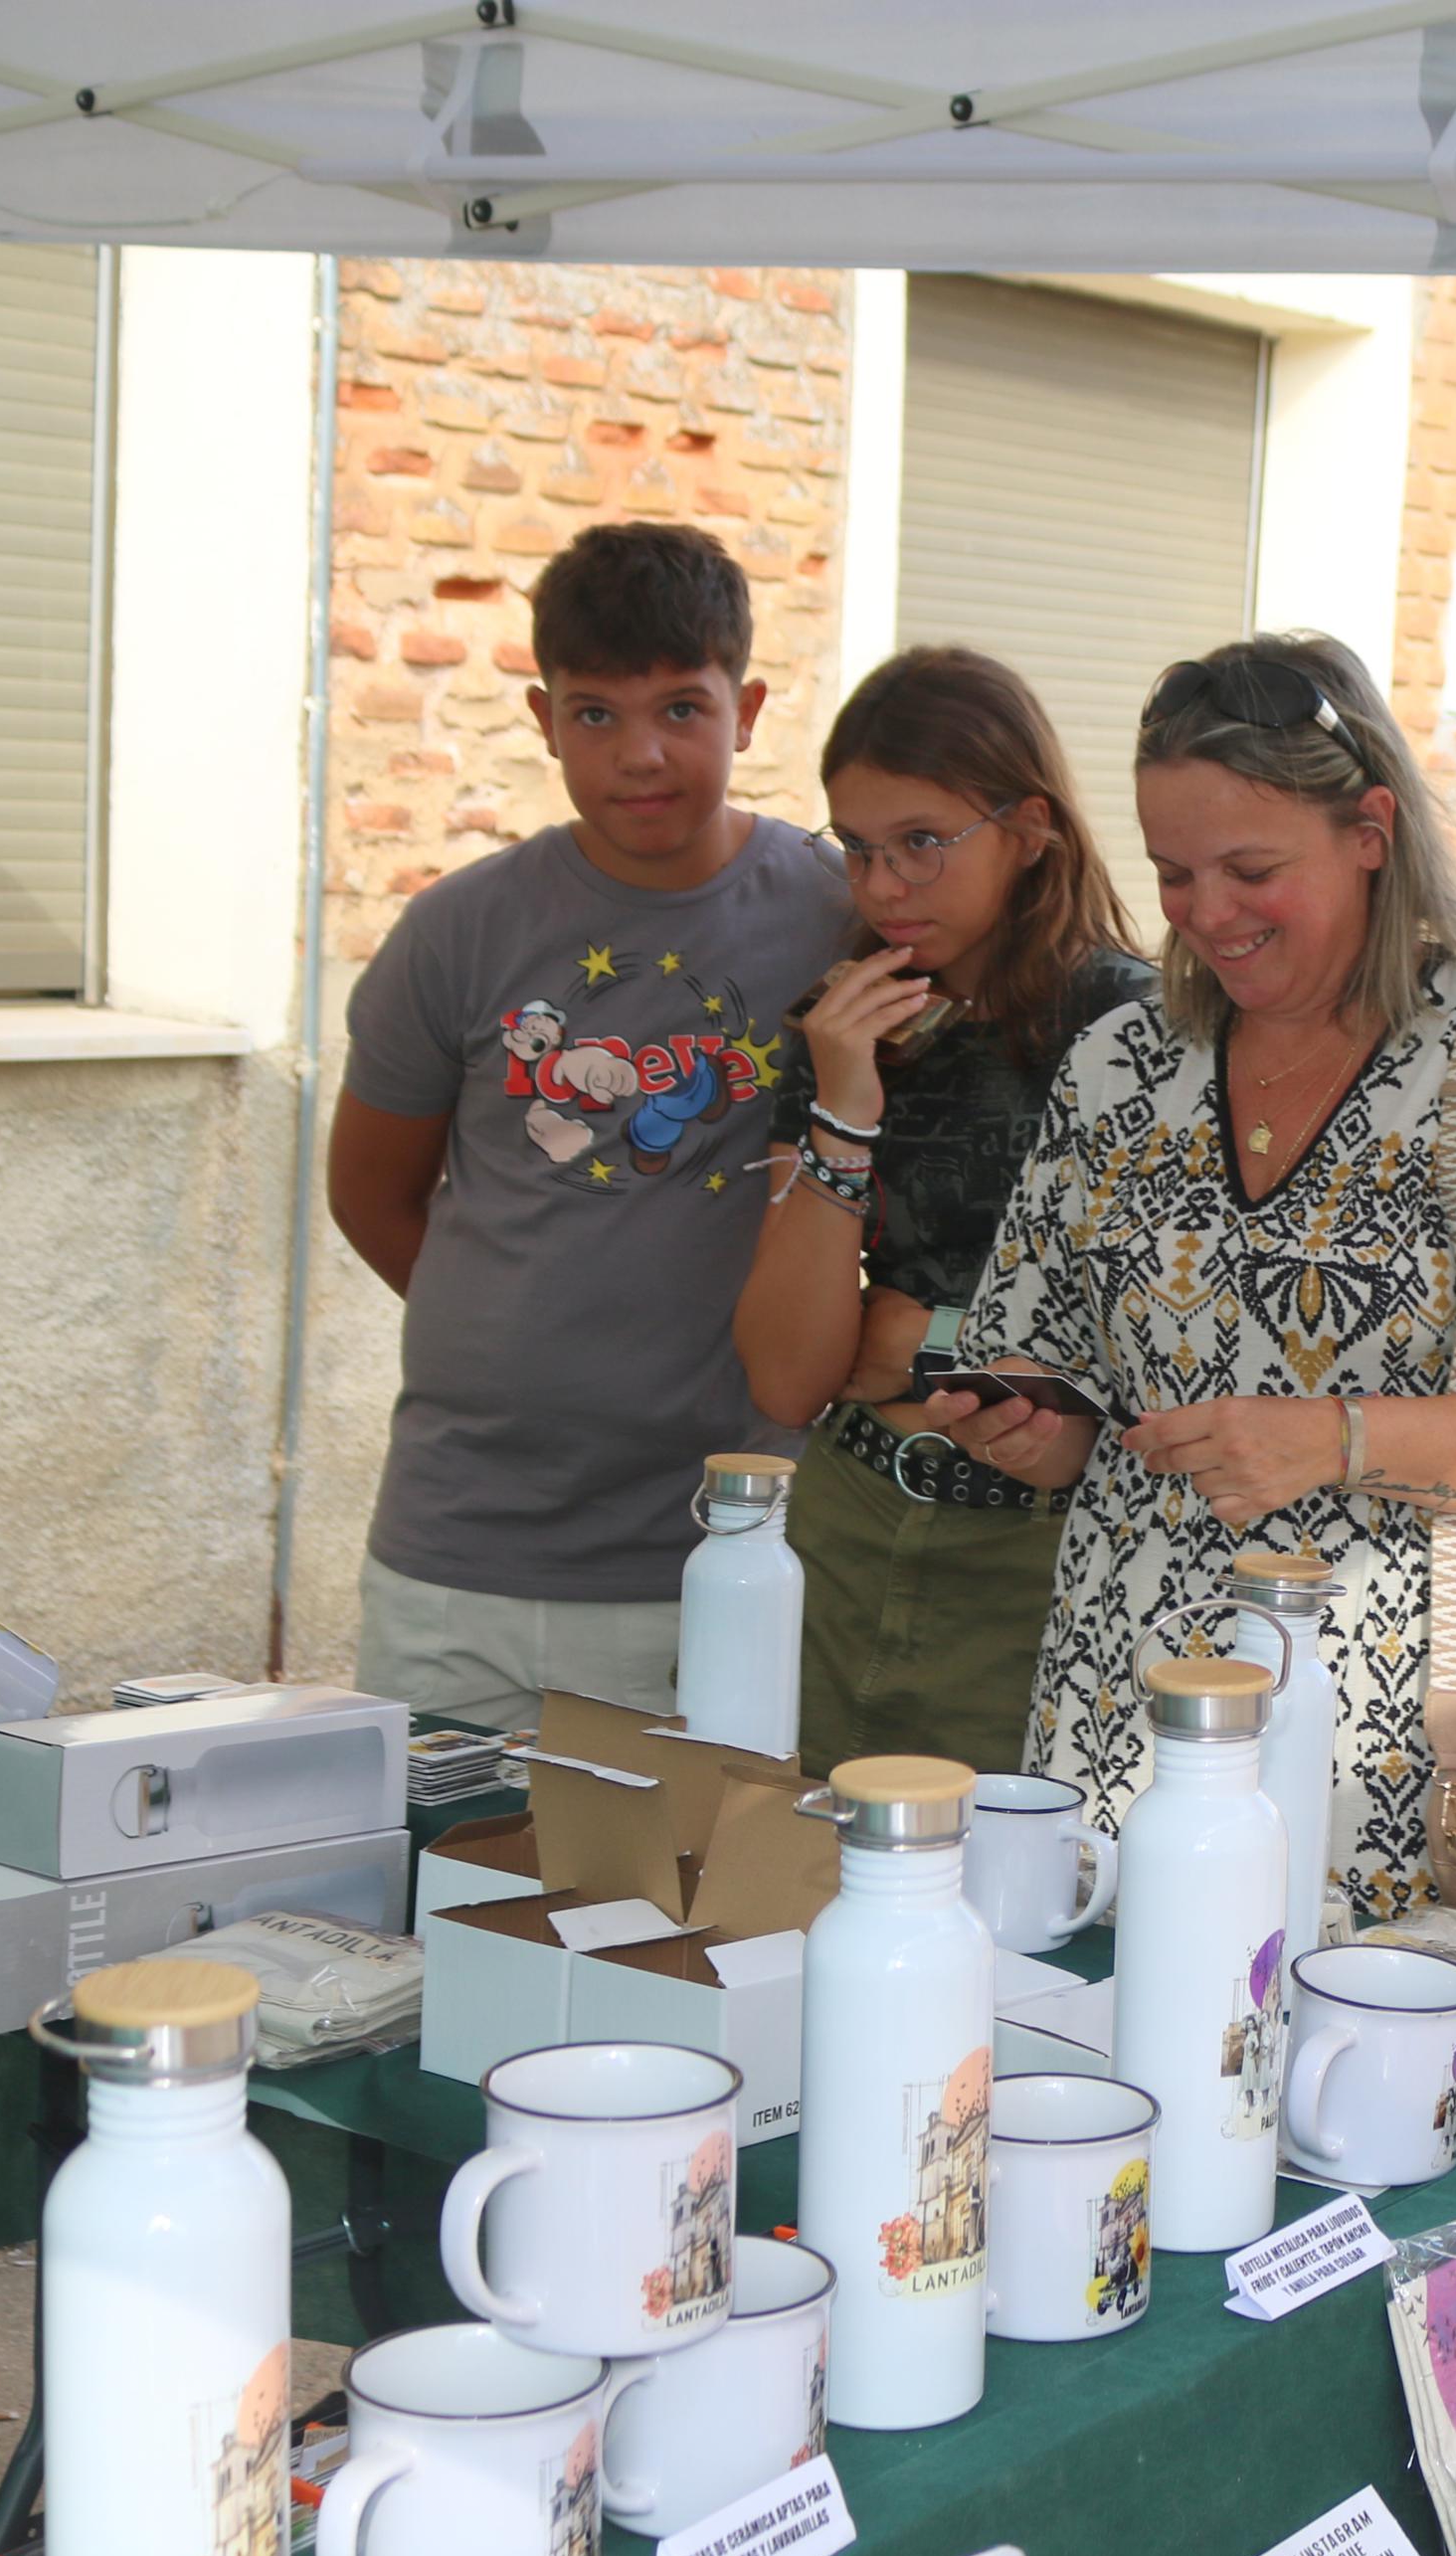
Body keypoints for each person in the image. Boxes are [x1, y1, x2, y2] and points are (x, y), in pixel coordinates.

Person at [924, 633, 1456, 1917]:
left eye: (1250, 867)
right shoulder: (1121, 1062)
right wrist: (1022, 1419)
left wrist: (1324, 1439)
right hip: (1130, 1730)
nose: (1204, 911)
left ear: (1370, 831)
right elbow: (1067, 1412)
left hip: (1398, 1755)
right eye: (1171, 873)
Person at [331, 521, 848, 1726]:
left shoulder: (832, 913)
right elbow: (370, 1194)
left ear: (750, 707)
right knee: (436, 1896)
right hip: (459, 1560)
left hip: (725, 1550)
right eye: (595, 715)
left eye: (682, 708)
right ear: (541, 718)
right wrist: (525, 1331)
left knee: (691, 1906)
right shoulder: (458, 931)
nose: (642, 756)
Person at [732, 648, 1158, 1774]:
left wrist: (920, 1340)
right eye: (856, 847)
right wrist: (844, 1105)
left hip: (1037, 1559)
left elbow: (1156, 1345)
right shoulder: (845, 1024)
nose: (881, 886)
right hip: (845, 1527)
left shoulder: (1132, 1029)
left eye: (922, 841)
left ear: (1028, 827)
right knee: (786, 1886)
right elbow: (785, 1375)